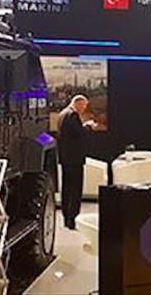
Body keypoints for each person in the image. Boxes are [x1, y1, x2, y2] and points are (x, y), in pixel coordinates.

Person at [57, 95, 96, 230]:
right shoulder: (72, 115)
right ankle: (72, 219)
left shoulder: (63, 114)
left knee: (66, 189)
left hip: (65, 158)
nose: (84, 109)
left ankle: (67, 218)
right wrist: (89, 127)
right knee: (75, 190)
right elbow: (79, 134)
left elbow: (71, 133)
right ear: (78, 103)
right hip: (74, 159)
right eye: (84, 106)